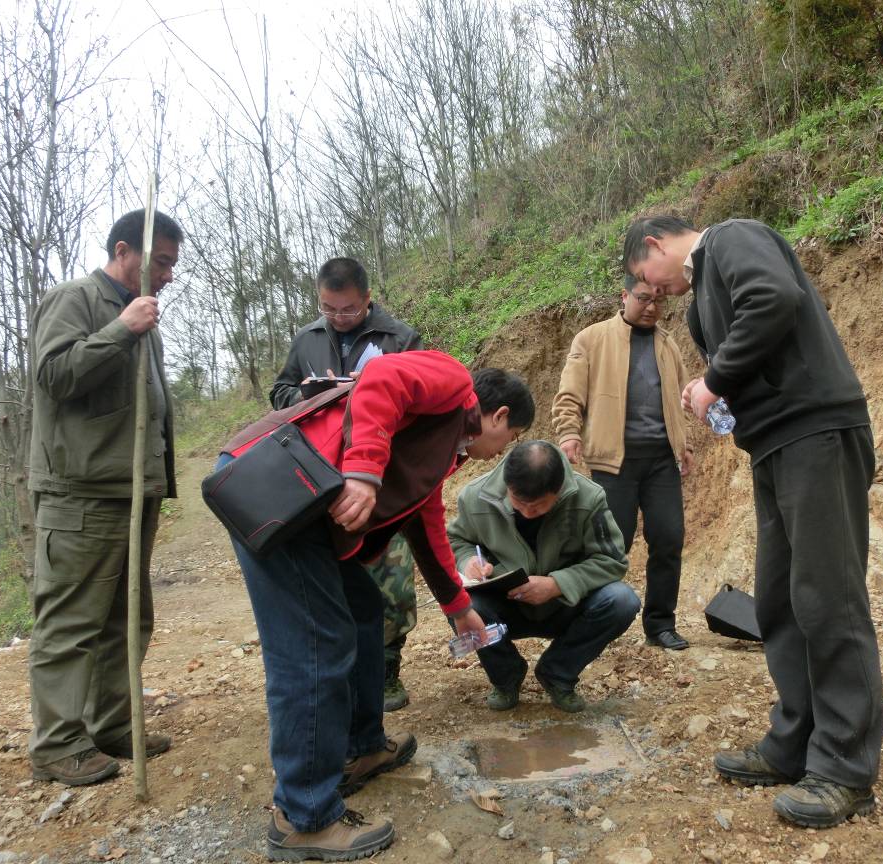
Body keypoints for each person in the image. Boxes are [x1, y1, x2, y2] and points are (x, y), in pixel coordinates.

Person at [218, 352, 533, 861]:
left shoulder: (444, 448)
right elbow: (382, 377)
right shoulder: (453, 383)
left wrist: (458, 607)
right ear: (499, 416)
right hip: (275, 480)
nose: (503, 449)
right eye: (511, 437)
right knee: (315, 643)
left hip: (308, 499)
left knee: (364, 609)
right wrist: (364, 471)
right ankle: (303, 816)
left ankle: (360, 748)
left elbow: (427, 521)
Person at [623, 215, 883, 829]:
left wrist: (713, 382)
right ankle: (795, 743)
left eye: (644, 274)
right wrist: (713, 390)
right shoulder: (699, 304)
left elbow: (774, 299)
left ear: (656, 244)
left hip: (816, 430)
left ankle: (845, 768)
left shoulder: (731, 238)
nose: (651, 289)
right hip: (772, 445)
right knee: (779, 601)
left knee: (828, 597)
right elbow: (752, 350)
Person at [26, 209, 184, 786]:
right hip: (82, 495)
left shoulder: (140, 313)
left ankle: (112, 724)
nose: (167, 274)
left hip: (132, 492)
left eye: (171, 263)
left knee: (126, 616)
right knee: (71, 621)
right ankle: (57, 744)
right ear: (123, 252)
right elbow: (54, 376)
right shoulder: (76, 299)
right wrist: (122, 329)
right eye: (159, 261)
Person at [269, 257, 424, 712]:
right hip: (320, 475)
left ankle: (387, 669)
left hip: (382, 477)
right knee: (333, 577)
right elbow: (279, 394)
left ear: (367, 299)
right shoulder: (307, 338)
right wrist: (306, 394)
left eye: (349, 309)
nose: (338, 317)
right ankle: (343, 671)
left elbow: (422, 401)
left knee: (391, 577)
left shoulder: (399, 338)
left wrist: (375, 392)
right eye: (329, 308)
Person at [552, 275, 693, 650]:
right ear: (625, 295)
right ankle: (595, 621)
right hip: (614, 462)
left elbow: (679, 400)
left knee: (669, 539)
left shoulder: (668, 345)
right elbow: (569, 394)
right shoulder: (591, 339)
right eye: (643, 298)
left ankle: (660, 624)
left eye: (658, 301)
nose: (651, 307)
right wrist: (569, 433)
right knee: (611, 546)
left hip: (662, 461)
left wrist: (685, 445)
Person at [448, 440, 639, 713]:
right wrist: (469, 561)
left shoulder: (588, 498)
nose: (527, 512)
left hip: (565, 605)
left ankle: (557, 673)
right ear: (507, 485)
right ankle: (505, 676)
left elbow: (612, 560)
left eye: (538, 506)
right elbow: (457, 540)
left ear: (558, 490)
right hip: (504, 608)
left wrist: (558, 584)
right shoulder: (476, 496)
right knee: (460, 605)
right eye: (518, 502)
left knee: (622, 601)